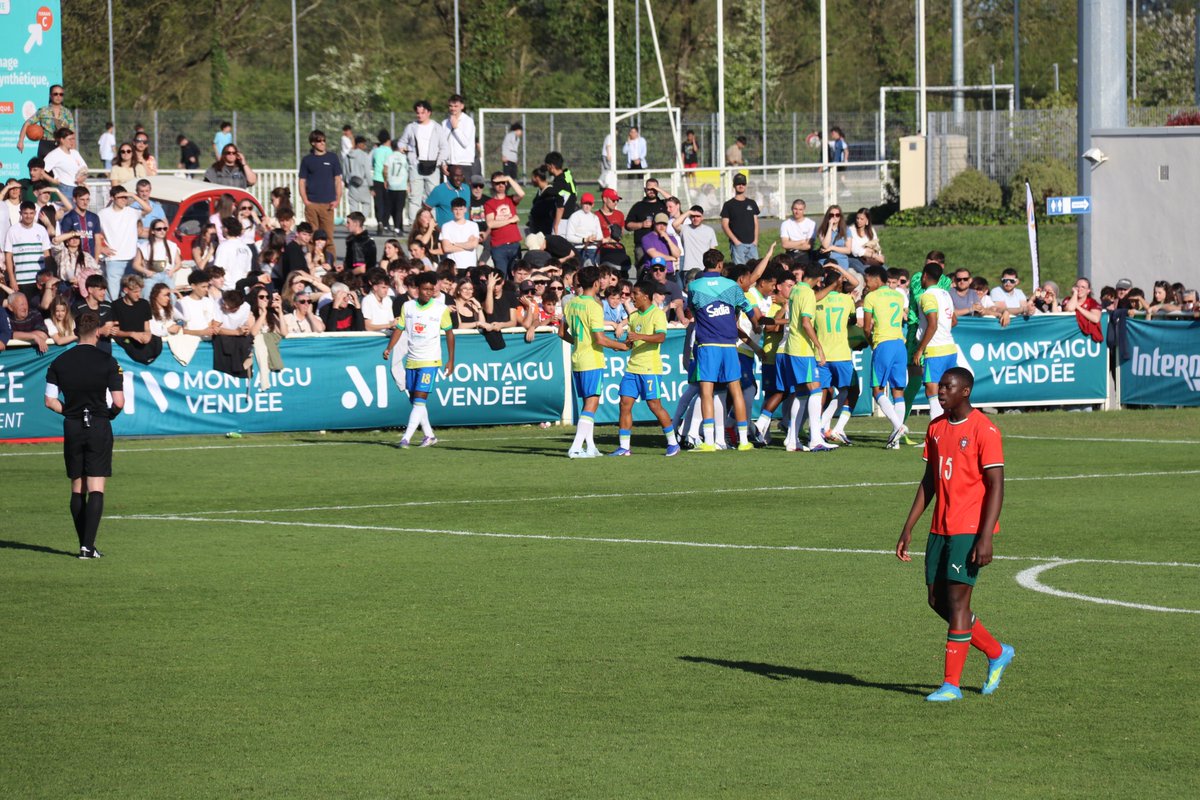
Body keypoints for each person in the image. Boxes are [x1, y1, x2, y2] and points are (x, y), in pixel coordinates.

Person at [896, 367, 1014, 703]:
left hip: (969, 529)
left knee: (960, 603)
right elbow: (929, 480)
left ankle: (951, 684)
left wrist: (986, 535)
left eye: (948, 387)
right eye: (941, 386)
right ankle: (996, 651)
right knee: (937, 601)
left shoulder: (985, 430)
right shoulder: (935, 428)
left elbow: (996, 486)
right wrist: (908, 527)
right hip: (939, 528)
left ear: (966, 391)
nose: (941, 391)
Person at [43, 310, 125, 559]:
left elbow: (49, 401)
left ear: (75, 331)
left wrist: (70, 411)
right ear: (98, 331)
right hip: (98, 424)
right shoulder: (108, 361)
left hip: (73, 425)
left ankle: (85, 545)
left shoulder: (59, 362)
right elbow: (119, 401)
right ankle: (87, 547)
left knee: (77, 488)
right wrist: (108, 414)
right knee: (97, 486)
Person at [687, 249, 760, 452]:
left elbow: (692, 310)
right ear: (720, 265)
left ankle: (709, 441)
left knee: (706, 391)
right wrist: (755, 325)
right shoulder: (731, 286)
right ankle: (744, 440)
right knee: (736, 390)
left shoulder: (694, 286)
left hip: (708, 344)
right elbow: (748, 308)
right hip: (729, 344)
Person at [560, 265, 629, 458]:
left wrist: (579, 343)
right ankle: (575, 447)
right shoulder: (595, 306)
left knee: (587, 404)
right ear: (597, 283)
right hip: (592, 360)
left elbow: (561, 332)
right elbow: (599, 339)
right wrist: (620, 345)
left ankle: (590, 446)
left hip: (577, 359)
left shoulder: (571, 303)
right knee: (592, 404)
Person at [608, 281, 681, 457]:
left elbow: (661, 337)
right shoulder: (633, 317)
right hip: (632, 368)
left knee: (654, 405)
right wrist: (620, 346)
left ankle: (673, 443)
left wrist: (639, 336)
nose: (631, 297)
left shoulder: (657, 314)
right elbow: (631, 343)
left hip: (650, 368)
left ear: (646, 296)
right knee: (624, 404)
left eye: (635, 294)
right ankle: (624, 447)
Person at [383, 271, 456, 448]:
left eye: (431, 289)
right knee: (415, 401)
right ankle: (429, 435)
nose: (428, 293)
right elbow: (399, 329)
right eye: (425, 289)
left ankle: (405, 438)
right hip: (412, 360)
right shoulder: (408, 307)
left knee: (419, 400)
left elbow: (450, 334)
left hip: (430, 361)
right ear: (418, 289)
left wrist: (451, 360)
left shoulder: (440, 309)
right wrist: (389, 348)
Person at [862, 265, 909, 448]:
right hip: (900, 344)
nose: (866, 284)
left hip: (883, 343)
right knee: (898, 391)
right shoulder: (898, 296)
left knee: (877, 389)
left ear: (876, 279)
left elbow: (867, 327)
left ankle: (898, 426)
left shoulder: (871, 297)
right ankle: (895, 441)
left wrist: (871, 341)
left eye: (867, 280)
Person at [814, 265, 860, 445]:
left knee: (821, 392)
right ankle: (827, 425)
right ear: (839, 284)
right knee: (848, 390)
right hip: (841, 354)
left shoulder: (816, 300)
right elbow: (853, 320)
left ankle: (818, 426)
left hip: (821, 354)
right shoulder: (847, 300)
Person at [911, 262, 958, 420]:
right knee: (947, 391)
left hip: (935, 350)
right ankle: (947, 432)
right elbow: (954, 321)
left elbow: (933, 323)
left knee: (932, 391)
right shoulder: (946, 294)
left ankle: (936, 435)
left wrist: (919, 349)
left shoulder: (927, 296)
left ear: (924, 276)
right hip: (950, 348)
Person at [398, 100, 449, 225]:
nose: (420, 115)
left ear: (429, 113)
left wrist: (438, 162)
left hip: (433, 166)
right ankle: (414, 224)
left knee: (433, 196)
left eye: (423, 113)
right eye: (418, 113)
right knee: (414, 196)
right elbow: (401, 142)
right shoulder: (411, 127)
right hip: (415, 166)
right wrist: (406, 150)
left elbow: (444, 147)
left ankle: (432, 223)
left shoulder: (437, 127)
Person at [298, 130, 343, 261]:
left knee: (328, 237)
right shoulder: (307, 160)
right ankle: (312, 262)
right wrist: (305, 200)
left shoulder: (332, 158)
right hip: (312, 203)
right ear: (313, 143)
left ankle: (330, 263)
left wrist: (337, 199)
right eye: (319, 141)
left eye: (324, 140)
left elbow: (338, 180)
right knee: (312, 236)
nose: (322, 143)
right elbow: (302, 181)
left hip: (328, 204)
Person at [5, 201, 52, 293]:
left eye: (31, 213)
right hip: (22, 280)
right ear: (20, 213)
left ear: (35, 213)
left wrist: (48, 276)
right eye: (25, 213)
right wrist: (12, 279)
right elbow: (8, 256)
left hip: (40, 280)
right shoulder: (12, 231)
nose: (28, 216)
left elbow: (47, 254)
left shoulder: (41, 230)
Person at [19, 85, 74, 160]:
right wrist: (20, 141)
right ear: (50, 95)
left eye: (61, 94)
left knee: (61, 171)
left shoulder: (67, 113)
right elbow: (27, 124)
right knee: (43, 170)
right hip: (46, 145)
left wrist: (73, 149)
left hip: (62, 146)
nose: (58, 96)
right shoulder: (43, 111)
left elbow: (72, 132)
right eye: (55, 94)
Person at [484, 173, 524, 277]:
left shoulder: (510, 199)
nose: (501, 185)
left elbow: (521, 194)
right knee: (502, 276)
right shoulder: (490, 203)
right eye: (497, 183)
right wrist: (510, 220)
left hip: (514, 244)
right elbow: (491, 223)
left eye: (503, 182)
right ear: (493, 184)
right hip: (498, 246)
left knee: (516, 276)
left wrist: (509, 178)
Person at [720, 174, 760, 265]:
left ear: (745, 185)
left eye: (743, 183)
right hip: (738, 245)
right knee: (739, 272)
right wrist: (736, 242)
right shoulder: (728, 205)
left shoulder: (752, 203)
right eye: (738, 184)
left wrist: (755, 241)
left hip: (752, 245)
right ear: (734, 185)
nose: (741, 186)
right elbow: (724, 225)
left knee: (755, 271)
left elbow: (756, 223)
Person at [42, 128, 90, 194]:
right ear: (62, 140)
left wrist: (83, 177)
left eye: (73, 139)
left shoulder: (75, 153)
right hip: (65, 189)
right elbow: (41, 171)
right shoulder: (54, 154)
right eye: (70, 139)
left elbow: (84, 169)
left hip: (78, 189)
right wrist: (53, 181)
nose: (72, 142)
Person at [439, 198, 480, 272]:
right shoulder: (446, 226)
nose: (458, 212)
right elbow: (446, 248)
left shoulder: (473, 225)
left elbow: (474, 245)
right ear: (452, 210)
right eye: (456, 209)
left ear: (465, 209)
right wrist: (467, 245)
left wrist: (454, 244)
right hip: (453, 267)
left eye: (461, 209)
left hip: (470, 266)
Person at [544, 151, 578, 235]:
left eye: (547, 166)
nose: (547, 169)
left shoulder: (560, 182)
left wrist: (556, 225)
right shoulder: (568, 177)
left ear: (551, 166)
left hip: (562, 222)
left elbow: (560, 206)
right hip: (572, 219)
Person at [443, 94, 478, 173]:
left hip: (464, 163)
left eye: (456, 106)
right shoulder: (444, 122)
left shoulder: (468, 121)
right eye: (451, 106)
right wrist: (443, 163)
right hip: (449, 163)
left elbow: (465, 143)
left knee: (464, 186)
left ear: (462, 106)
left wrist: (455, 128)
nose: (453, 108)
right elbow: (443, 144)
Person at [678, 205, 717, 274]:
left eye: (698, 216)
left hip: (704, 268)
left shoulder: (709, 230)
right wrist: (688, 212)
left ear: (702, 217)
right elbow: (674, 224)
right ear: (690, 217)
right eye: (693, 216)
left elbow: (712, 252)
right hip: (688, 268)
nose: (695, 219)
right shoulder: (684, 229)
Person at [779, 199, 816, 266]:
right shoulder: (785, 224)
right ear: (792, 209)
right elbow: (784, 244)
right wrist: (801, 242)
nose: (797, 212)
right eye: (795, 209)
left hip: (806, 255)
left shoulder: (811, 223)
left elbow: (808, 246)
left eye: (800, 209)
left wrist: (791, 244)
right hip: (790, 255)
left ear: (804, 210)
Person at [344, 136, 373, 218]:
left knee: (353, 204)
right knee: (366, 203)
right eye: (364, 144)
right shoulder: (364, 155)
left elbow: (345, 171)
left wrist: (346, 182)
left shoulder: (347, 156)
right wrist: (371, 185)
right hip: (363, 183)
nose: (365, 146)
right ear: (359, 144)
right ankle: (361, 222)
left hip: (352, 183)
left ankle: (354, 222)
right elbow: (367, 172)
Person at [371, 130, 394, 234]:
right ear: (388, 139)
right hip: (387, 180)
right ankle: (385, 223)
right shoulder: (390, 151)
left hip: (376, 179)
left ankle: (379, 221)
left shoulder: (375, 151)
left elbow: (372, 163)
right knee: (387, 203)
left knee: (378, 203)